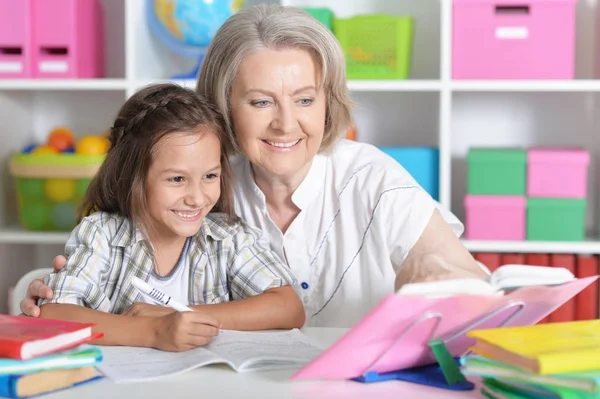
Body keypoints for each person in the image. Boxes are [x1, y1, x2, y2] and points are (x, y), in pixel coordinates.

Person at [22, 4, 487, 328]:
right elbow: (115, 261)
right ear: (223, 106)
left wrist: (435, 275)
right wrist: (43, 293)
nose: (286, 124)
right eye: (261, 101)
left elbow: (450, 268)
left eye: (305, 99)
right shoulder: (209, 189)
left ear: (328, 101)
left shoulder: (372, 176)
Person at [36, 83, 305, 352]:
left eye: (210, 176)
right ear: (132, 177)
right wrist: (153, 332)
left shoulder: (228, 237)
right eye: (177, 179)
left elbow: (288, 307)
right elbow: (54, 315)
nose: (197, 198)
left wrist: (185, 317)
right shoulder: (101, 234)